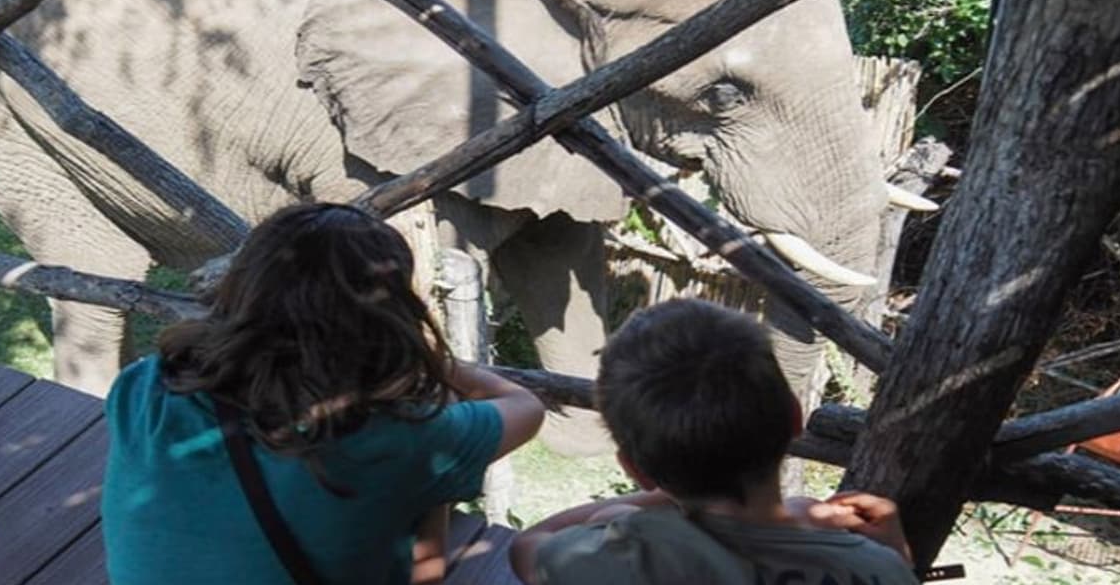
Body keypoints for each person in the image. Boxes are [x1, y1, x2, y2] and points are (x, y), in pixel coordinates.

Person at [102, 203, 545, 585]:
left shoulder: (147, 385)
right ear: (386, 316)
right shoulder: (404, 436)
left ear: (243, 287)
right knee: (431, 472)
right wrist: (430, 365)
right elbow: (526, 407)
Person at [510, 299, 918, 585]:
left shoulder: (624, 557)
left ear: (634, 468)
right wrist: (896, 555)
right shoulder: (878, 568)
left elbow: (527, 545)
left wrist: (626, 512)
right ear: (795, 418)